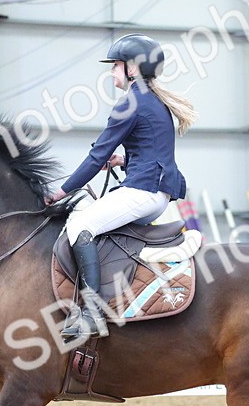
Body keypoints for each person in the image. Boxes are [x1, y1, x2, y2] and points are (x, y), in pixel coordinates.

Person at [44, 33, 197, 341]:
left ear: (132, 68)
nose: (111, 71)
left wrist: (61, 191)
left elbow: (95, 156)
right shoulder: (154, 101)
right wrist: (122, 161)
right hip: (156, 192)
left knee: (80, 225)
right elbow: (152, 151)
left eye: (115, 65)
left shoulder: (130, 103)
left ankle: (92, 313)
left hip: (143, 193)